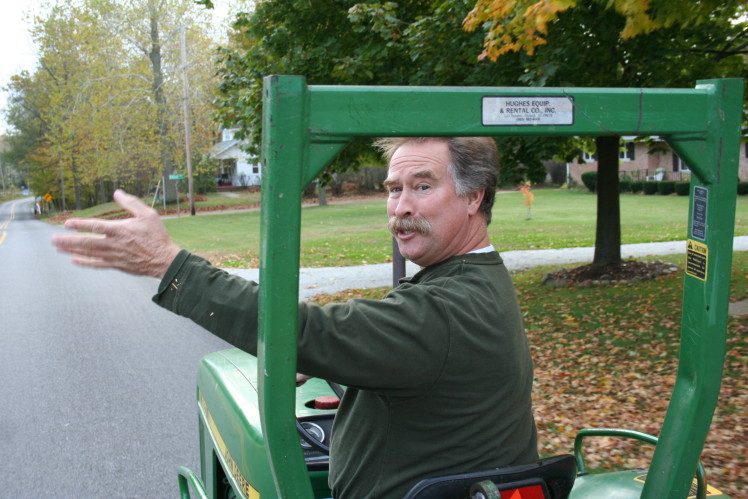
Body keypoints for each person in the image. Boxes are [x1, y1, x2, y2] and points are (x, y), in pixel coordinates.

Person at [51, 136, 538, 498]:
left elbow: (306, 331)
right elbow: (401, 347)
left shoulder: (447, 309)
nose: (401, 207)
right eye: (393, 189)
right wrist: (329, 357)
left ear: (475, 197)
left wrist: (168, 267)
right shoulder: (472, 281)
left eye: (422, 186)